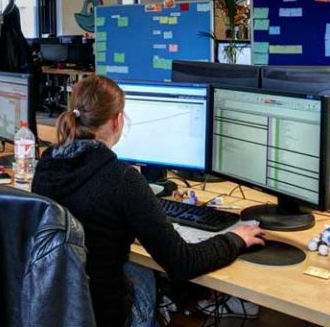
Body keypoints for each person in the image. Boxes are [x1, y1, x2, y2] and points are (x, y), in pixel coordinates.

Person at [31, 75, 266, 327]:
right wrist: (235, 239)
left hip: (53, 305)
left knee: (140, 267)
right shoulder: (122, 179)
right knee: (146, 273)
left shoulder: (47, 164)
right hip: (106, 314)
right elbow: (182, 263)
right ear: (117, 120)